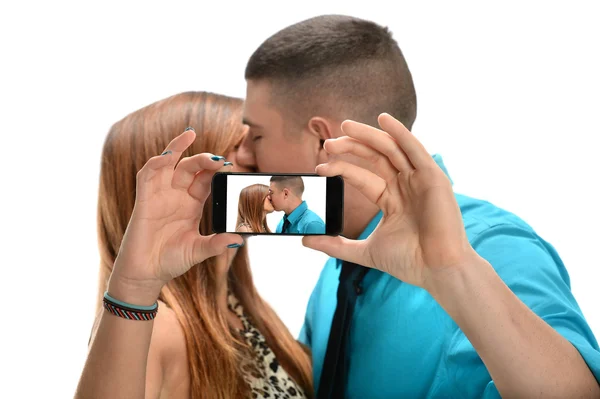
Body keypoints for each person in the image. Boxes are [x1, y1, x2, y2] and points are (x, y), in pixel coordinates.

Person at [236, 15, 600, 398]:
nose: (244, 152)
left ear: (319, 140)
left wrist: (454, 271)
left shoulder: (497, 249)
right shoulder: (336, 273)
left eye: (256, 134)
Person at [75, 91, 312, 399]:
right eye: (240, 143)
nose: (258, 158)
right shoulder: (158, 327)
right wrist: (133, 287)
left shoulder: (244, 310)